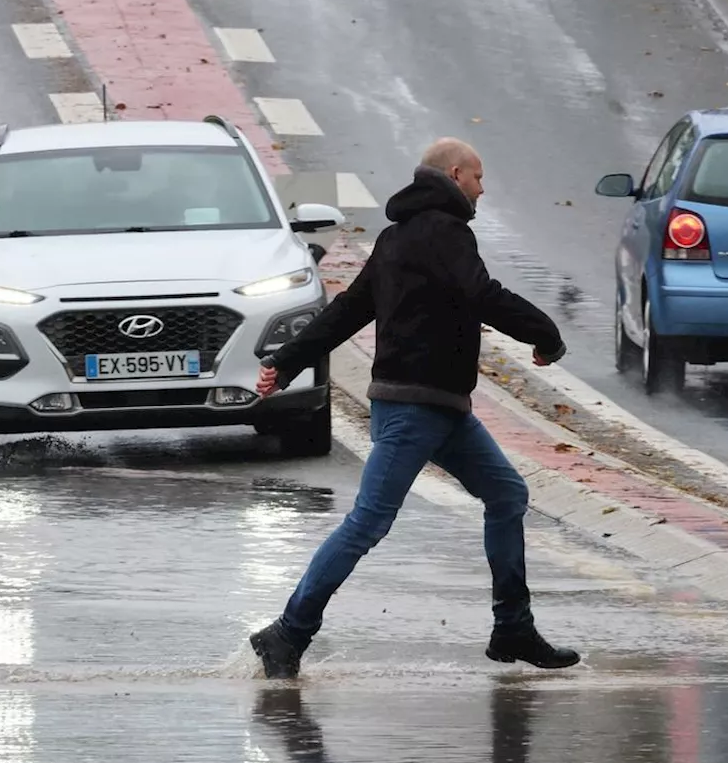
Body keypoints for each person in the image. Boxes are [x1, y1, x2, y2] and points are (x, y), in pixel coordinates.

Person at [248, 137, 581, 678]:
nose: (482, 187)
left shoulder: (395, 238)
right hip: (414, 410)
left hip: (441, 408)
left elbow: (347, 310)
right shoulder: (446, 233)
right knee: (367, 523)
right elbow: (483, 293)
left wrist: (286, 362)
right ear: (454, 173)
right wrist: (545, 335)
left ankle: (512, 628)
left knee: (506, 494)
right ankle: (289, 631)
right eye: (477, 177)